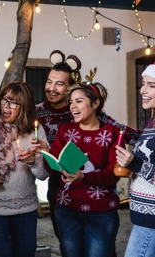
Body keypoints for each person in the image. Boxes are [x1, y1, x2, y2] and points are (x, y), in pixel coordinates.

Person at [35, 50, 142, 246]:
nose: (52, 88)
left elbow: (129, 135)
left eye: (59, 83)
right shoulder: (37, 112)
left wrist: (146, 141)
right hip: (61, 187)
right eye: (49, 81)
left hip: (98, 196)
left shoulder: (94, 116)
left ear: (70, 88)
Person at [48, 73, 122, 257]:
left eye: (79, 101)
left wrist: (83, 176)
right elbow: (53, 168)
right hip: (66, 210)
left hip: (102, 213)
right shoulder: (65, 130)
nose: (72, 106)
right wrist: (45, 154)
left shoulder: (112, 133)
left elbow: (113, 174)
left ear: (95, 104)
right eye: (71, 102)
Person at [0, 82, 49, 257]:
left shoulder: (35, 133)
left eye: (13, 102)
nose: (6, 106)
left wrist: (33, 162)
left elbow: (43, 175)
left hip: (25, 209)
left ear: (25, 107)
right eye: (4, 100)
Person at [116, 64, 155, 257]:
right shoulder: (151, 123)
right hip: (144, 215)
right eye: (143, 84)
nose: (143, 90)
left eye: (151, 85)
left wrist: (135, 164)